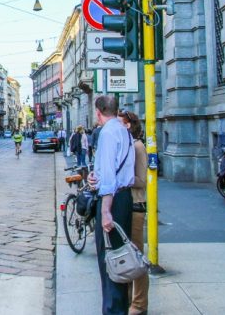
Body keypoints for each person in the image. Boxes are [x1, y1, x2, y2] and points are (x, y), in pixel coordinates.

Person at [87, 96, 135, 315]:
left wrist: (105, 210)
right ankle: (120, 309)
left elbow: (108, 176)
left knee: (110, 261)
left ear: (98, 111)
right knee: (120, 256)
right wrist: (93, 177)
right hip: (124, 199)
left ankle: (113, 310)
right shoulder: (124, 130)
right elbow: (114, 169)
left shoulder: (106, 133)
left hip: (112, 201)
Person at [118, 110, 148, 315]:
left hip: (136, 207)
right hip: (125, 206)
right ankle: (129, 300)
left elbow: (141, 180)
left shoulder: (137, 146)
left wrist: (120, 178)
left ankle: (139, 304)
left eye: (119, 124)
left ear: (128, 126)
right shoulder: (126, 146)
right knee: (127, 258)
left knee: (136, 258)